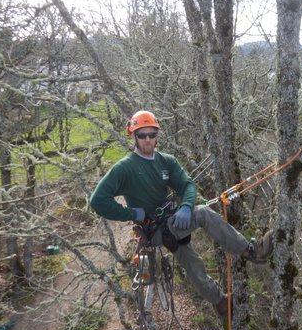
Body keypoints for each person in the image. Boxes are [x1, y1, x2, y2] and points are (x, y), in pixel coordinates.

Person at [89, 110, 273, 316]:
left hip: (173, 219)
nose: (148, 139)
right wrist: (132, 214)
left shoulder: (166, 161)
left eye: (152, 134)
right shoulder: (124, 168)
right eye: (142, 135)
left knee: (192, 262)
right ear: (134, 136)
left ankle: (219, 301)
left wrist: (186, 206)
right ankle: (251, 251)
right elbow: (97, 201)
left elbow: (187, 185)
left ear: (157, 136)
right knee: (203, 213)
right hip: (154, 229)